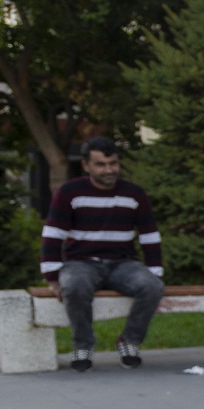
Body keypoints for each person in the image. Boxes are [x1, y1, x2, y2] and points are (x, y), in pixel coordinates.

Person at [39, 136, 165, 372]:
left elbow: (149, 235)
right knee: (74, 286)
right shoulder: (69, 192)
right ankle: (83, 345)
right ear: (86, 165)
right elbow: (53, 234)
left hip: (122, 263)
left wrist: (155, 272)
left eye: (113, 164)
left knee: (152, 287)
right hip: (80, 262)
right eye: (101, 165)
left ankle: (129, 341)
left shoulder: (134, 194)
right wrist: (52, 277)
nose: (109, 170)